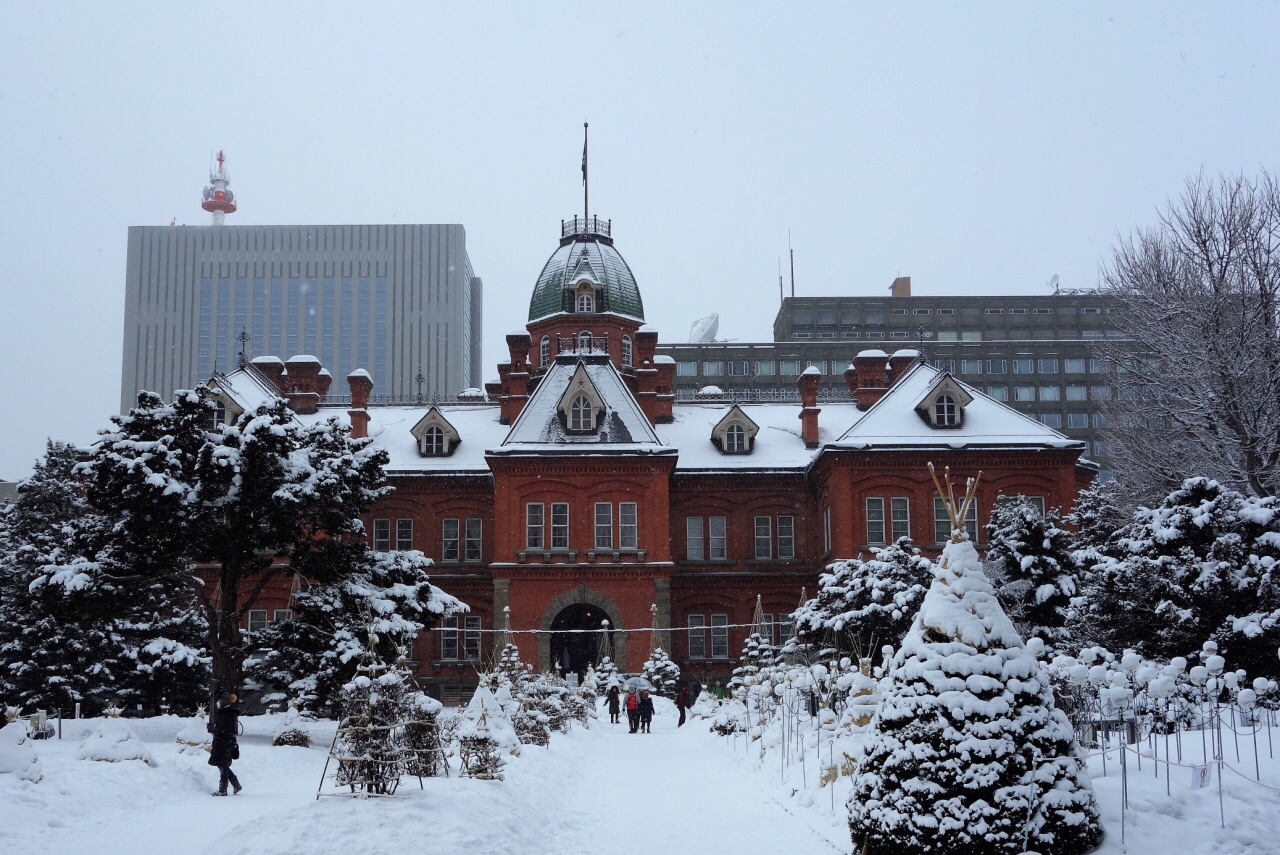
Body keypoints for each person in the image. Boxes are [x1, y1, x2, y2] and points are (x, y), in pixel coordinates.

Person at [209, 690, 242, 796]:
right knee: (222, 765)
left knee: (222, 765)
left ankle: (223, 789)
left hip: (223, 743)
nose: (219, 701)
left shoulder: (225, 714)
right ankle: (236, 784)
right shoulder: (228, 712)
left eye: (221, 699)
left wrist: (212, 730)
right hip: (226, 743)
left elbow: (224, 731)